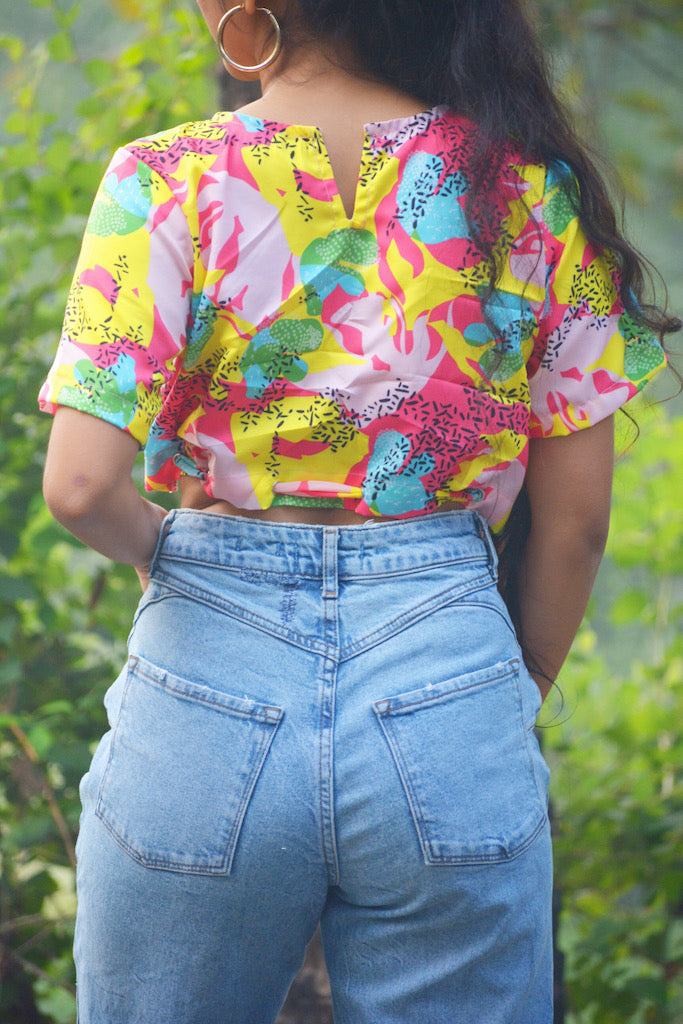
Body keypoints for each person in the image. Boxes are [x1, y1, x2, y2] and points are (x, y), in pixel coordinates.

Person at [39, 2, 675, 1022]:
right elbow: (577, 524)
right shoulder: (526, 190)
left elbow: (77, 487)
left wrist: (176, 557)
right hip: (446, 671)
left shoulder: (163, 176)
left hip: (207, 673)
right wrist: (505, 691)